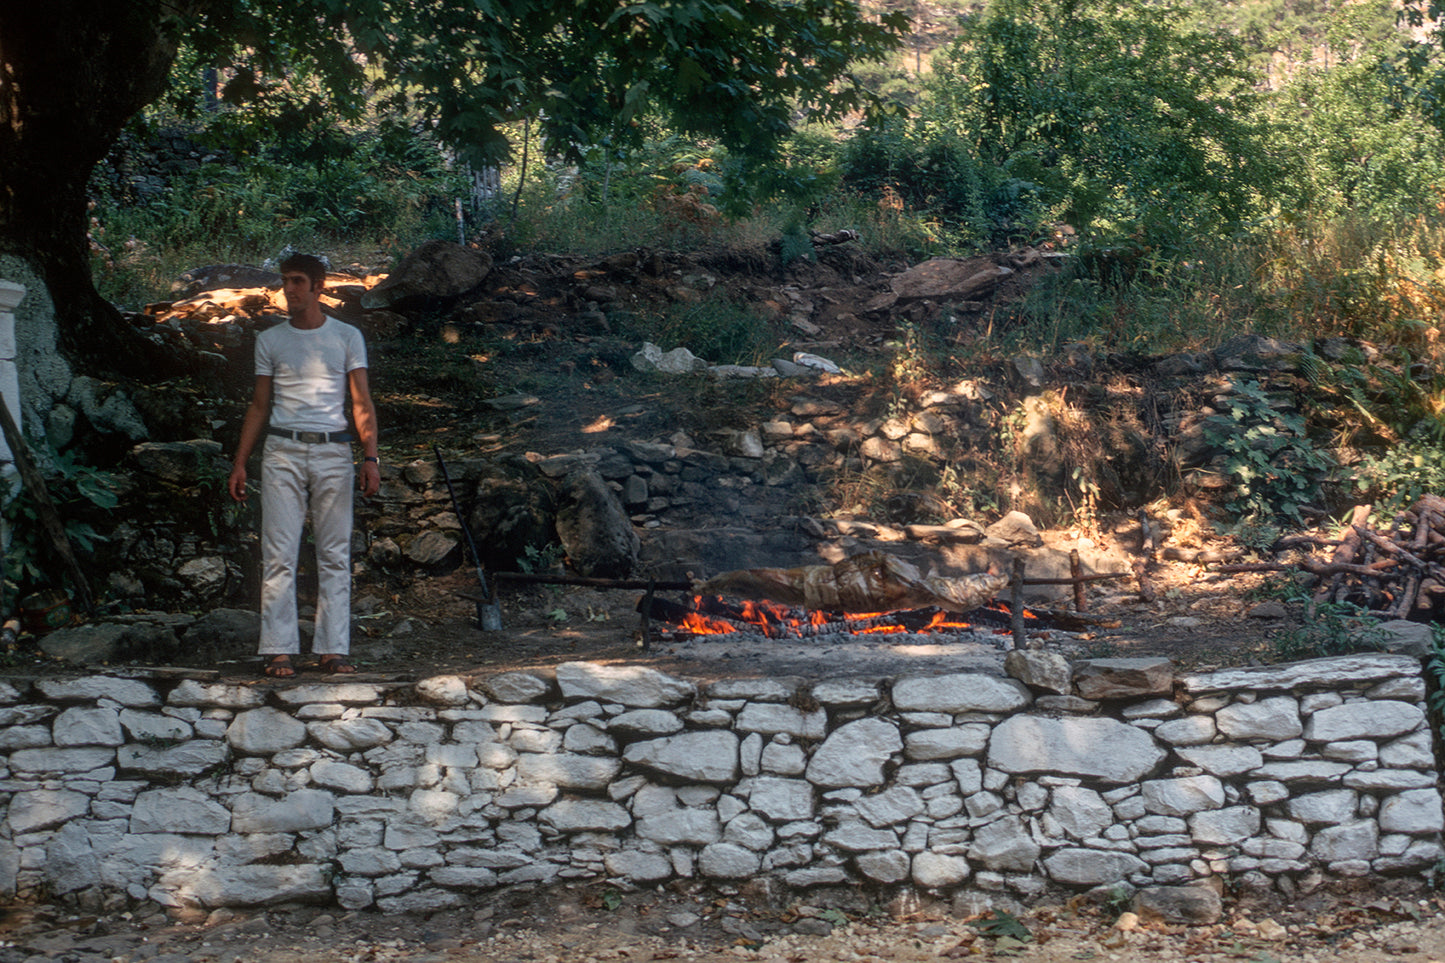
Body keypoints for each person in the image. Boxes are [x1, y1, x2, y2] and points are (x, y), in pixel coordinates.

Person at [227, 253, 380, 677]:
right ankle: (279, 649)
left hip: (334, 450)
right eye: (285, 281)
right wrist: (240, 461)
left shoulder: (347, 336)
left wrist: (370, 457)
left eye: (297, 281)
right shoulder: (271, 340)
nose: (289, 289)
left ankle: (332, 650)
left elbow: (361, 402)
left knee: (334, 553)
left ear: (318, 285)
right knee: (278, 551)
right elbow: (259, 405)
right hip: (282, 451)